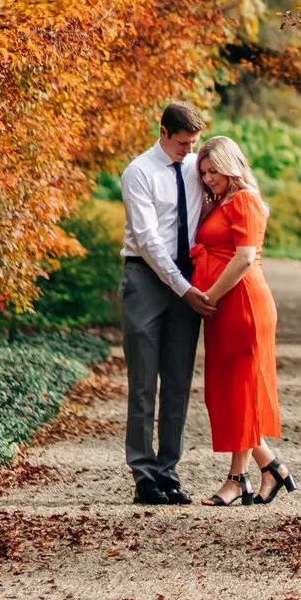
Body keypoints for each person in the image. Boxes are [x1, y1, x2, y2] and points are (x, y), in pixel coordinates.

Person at [188, 133, 292, 506]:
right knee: (228, 392)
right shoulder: (221, 202)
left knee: (239, 390)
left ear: (232, 166)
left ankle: (238, 480)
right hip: (223, 307)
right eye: (203, 173)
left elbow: (245, 257)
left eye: (214, 170)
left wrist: (208, 296)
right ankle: (269, 468)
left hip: (242, 304)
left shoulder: (244, 200)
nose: (208, 178)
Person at [118, 101, 210, 505]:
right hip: (146, 277)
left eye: (193, 143)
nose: (188, 151)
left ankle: (169, 470)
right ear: (163, 132)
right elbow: (148, 238)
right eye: (182, 143)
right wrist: (179, 285)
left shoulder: (196, 166)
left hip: (187, 279)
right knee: (143, 381)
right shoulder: (138, 172)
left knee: (177, 380)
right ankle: (143, 474)